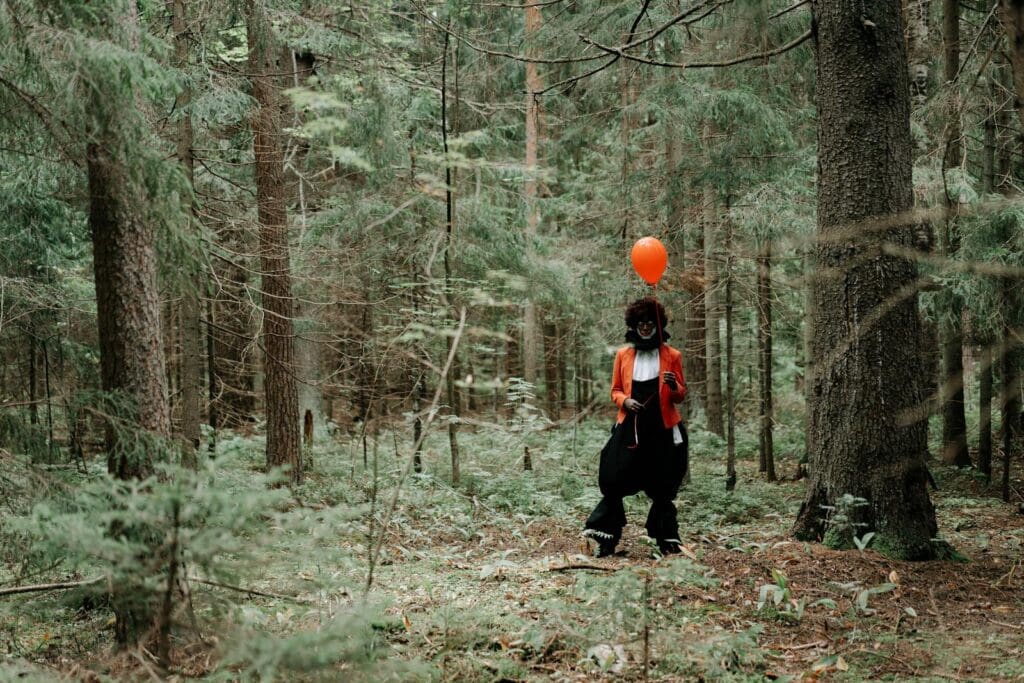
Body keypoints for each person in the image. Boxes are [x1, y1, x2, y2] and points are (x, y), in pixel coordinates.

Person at [583, 296, 688, 557]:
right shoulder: (623, 355)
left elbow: (680, 396)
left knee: (663, 483)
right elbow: (615, 390)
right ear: (634, 324)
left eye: (650, 323)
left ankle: (666, 542)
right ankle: (606, 540)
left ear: (657, 325)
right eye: (640, 323)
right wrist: (625, 401)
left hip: (661, 429)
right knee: (614, 475)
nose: (645, 327)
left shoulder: (672, 355)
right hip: (630, 426)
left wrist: (673, 385)